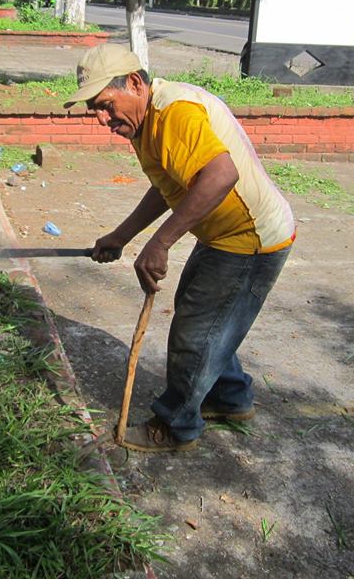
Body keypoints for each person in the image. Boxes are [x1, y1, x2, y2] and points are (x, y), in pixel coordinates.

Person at [65, 43, 295, 452]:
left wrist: (161, 242)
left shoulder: (175, 112)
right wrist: (123, 235)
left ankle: (175, 425)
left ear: (135, 83)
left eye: (106, 105)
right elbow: (168, 184)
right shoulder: (146, 119)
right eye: (94, 110)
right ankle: (230, 399)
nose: (102, 119)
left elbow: (221, 175)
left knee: (196, 332)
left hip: (251, 238)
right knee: (207, 321)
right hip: (225, 235)